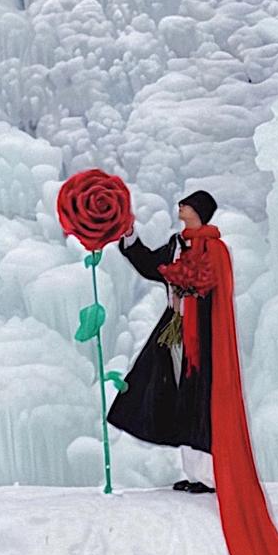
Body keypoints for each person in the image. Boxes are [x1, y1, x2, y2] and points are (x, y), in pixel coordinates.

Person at [105, 189, 220, 492]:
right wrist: (129, 234)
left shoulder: (213, 248)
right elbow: (150, 265)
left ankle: (209, 475)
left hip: (201, 332)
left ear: (199, 211)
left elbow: (216, 287)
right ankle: (194, 473)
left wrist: (191, 292)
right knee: (178, 392)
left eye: (187, 204)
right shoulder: (175, 245)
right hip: (175, 325)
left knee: (199, 396)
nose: (181, 206)